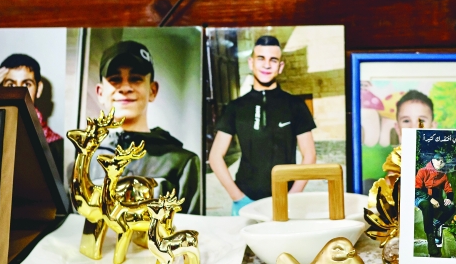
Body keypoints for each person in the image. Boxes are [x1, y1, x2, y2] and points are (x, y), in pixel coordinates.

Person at [209, 35, 317, 215]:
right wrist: (238, 197)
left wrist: (293, 195)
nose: (267, 65)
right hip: (246, 200)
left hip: (286, 200)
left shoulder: (295, 105)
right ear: (251, 63)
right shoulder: (235, 107)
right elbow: (215, 157)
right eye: (261, 58)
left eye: (273, 60)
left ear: (280, 67)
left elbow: (310, 155)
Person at [93, 41, 201, 214]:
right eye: (115, 79)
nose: (125, 88)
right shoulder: (85, 160)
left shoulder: (182, 163)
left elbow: (190, 228)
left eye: (136, 79)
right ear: (100, 93)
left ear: (152, 90)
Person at [0, 53, 64, 168]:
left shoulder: (58, 148)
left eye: (27, 84)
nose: (18, 93)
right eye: (10, 85)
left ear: (38, 89)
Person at [414, 156, 454, 257]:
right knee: (427, 205)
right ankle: (431, 241)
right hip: (421, 197)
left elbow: (449, 189)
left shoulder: (443, 175)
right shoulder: (422, 171)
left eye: (442, 161)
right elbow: (416, 190)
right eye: (438, 159)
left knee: (451, 207)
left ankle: (435, 224)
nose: (440, 162)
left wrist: (449, 198)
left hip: (436, 199)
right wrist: (430, 199)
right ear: (432, 160)